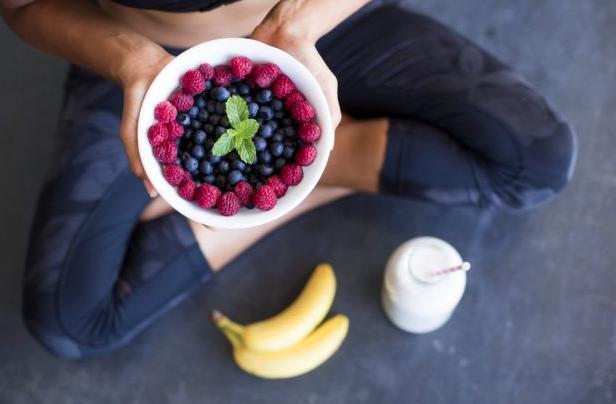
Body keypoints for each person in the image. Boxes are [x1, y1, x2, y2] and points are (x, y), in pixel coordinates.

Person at [1, 0, 576, 359]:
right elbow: (24, 5)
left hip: (315, 23)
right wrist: (131, 58)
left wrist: (296, 21)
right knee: (69, 325)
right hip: (141, 64)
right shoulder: (135, 62)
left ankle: (312, 165)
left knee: (538, 161)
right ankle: (312, 166)